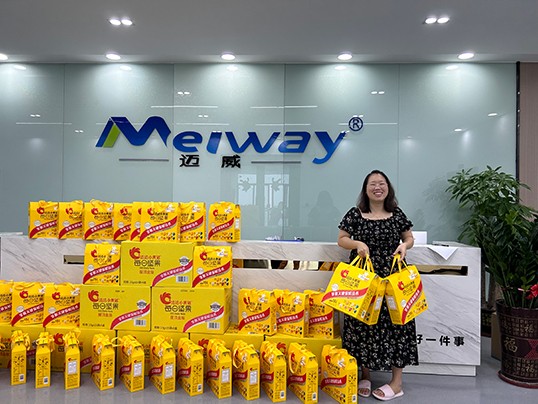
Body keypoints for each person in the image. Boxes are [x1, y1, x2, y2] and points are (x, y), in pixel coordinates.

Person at [337, 169, 417, 401]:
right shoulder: (355, 213)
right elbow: (341, 239)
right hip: (364, 278)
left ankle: (397, 382)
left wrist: (405, 246)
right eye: (372, 184)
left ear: (388, 188)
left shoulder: (396, 213)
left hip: (392, 277)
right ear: (365, 189)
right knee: (362, 323)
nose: (377, 187)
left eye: (382, 183)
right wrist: (357, 244)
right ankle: (365, 374)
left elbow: (409, 237)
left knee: (398, 324)